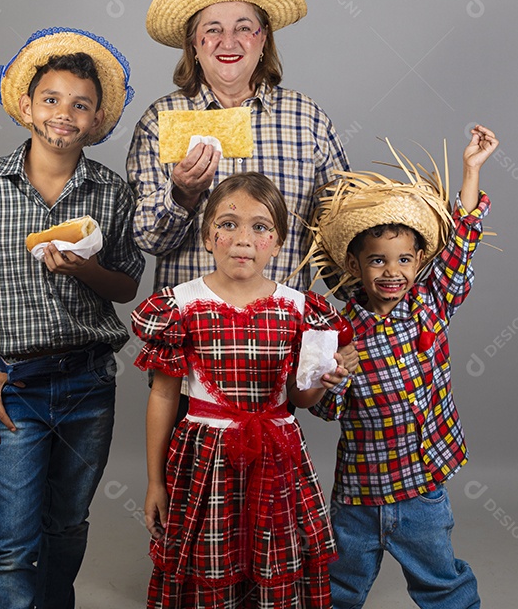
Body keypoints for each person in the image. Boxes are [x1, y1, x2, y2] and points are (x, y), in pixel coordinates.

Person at [0, 27, 144, 609]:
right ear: (26, 105)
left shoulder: (111, 194)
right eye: (51, 99)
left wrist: (81, 269)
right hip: (12, 383)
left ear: (96, 121)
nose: (63, 114)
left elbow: (125, 285)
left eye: (80, 104)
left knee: (68, 524)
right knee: (13, 540)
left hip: (88, 384)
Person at [133, 172, 354, 609]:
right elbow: (163, 397)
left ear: (277, 241)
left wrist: (320, 381)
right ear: (207, 235)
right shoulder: (178, 306)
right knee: (210, 553)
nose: (243, 238)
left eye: (260, 226)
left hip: (277, 454)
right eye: (228, 223)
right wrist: (155, 482)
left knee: (275, 549)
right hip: (206, 455)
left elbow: (299, 399)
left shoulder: (298, 308)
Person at [307, 127, 500, 609]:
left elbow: (460, 250)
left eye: (403, 260)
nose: (391, 272)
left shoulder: (430, 304)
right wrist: (335, 374)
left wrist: (472, 170)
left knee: (442, 583)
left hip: (422, 488)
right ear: (354, 264)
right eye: (377, 260)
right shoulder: (338, 329)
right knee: (339, 587)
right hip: (359, 493)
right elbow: (326, 410)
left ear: (418, 263)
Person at [127, 0, 350, 294]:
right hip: (191, 331)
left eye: (244, 28)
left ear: (263, 42)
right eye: (213, 29)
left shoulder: (306, 119)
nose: (228, 41)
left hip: (281, 330)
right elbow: (148, 239)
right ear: (193, 45)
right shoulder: (159, 120)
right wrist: (182, 194)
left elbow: (339, 234)